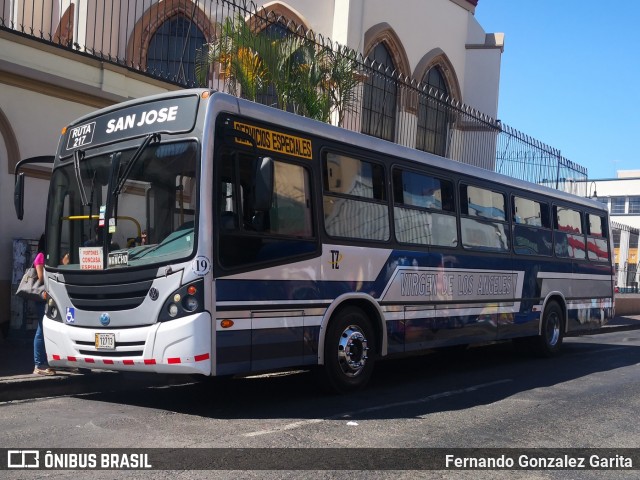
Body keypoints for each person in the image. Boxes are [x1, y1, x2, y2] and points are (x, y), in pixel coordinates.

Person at [33, 234, 55, 376]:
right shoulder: (41, 256)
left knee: (45, 330)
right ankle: (39, 364)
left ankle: (44, 362)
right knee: (41, 330)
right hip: (42, 298)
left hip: (48, 298)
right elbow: (41, 278)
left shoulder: (45, 256)